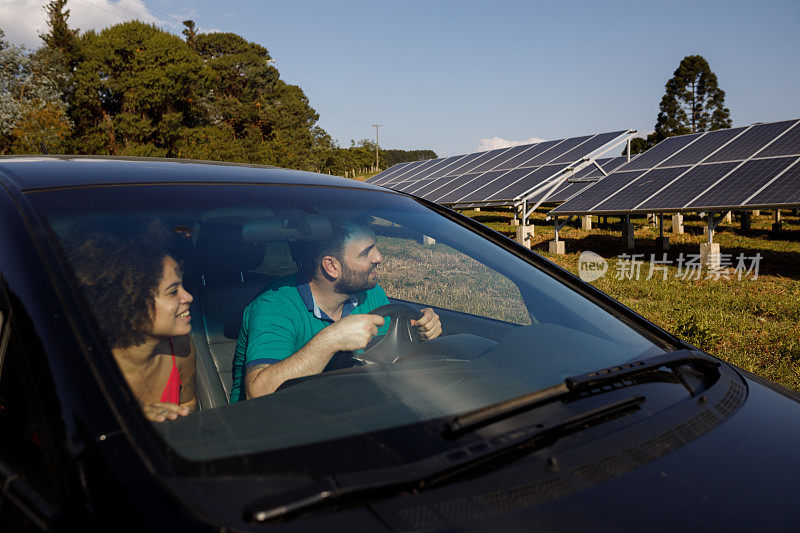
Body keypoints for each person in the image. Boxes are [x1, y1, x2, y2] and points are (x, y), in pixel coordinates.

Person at [230, 219, 442, 401]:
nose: (379, 257)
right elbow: (258, 395)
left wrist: (420, 332)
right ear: (331, 266)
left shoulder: (371, 293)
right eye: (367, 252)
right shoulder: (274, 305)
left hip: (345, 411)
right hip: (272, 432)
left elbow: (391, 358)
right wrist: (331, 339)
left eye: (375, 247)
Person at [69, 231, 198, 422]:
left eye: (183, 286)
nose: (188, 297)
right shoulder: (91, 373)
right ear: (130, 306)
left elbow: (190, 414)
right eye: (173, 292)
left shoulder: (181, 347)